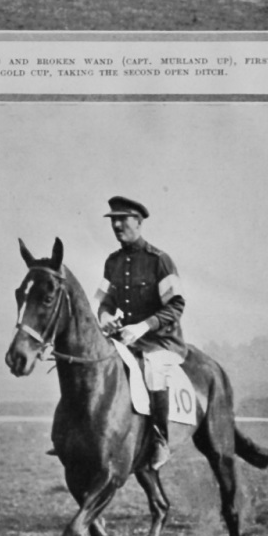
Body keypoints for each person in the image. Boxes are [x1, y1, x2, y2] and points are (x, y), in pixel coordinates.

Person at [94, 195, 186, 469]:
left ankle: (160, 440)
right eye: (113, 220)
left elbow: (176, 305)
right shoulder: (112, 262)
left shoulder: (160, 261)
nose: (117, 225)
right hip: (126, 339)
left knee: (154, 369)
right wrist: (107, 316)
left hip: (160, 341)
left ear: (139, 222)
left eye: (123, 219)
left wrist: (144, 326)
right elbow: (104, 302)